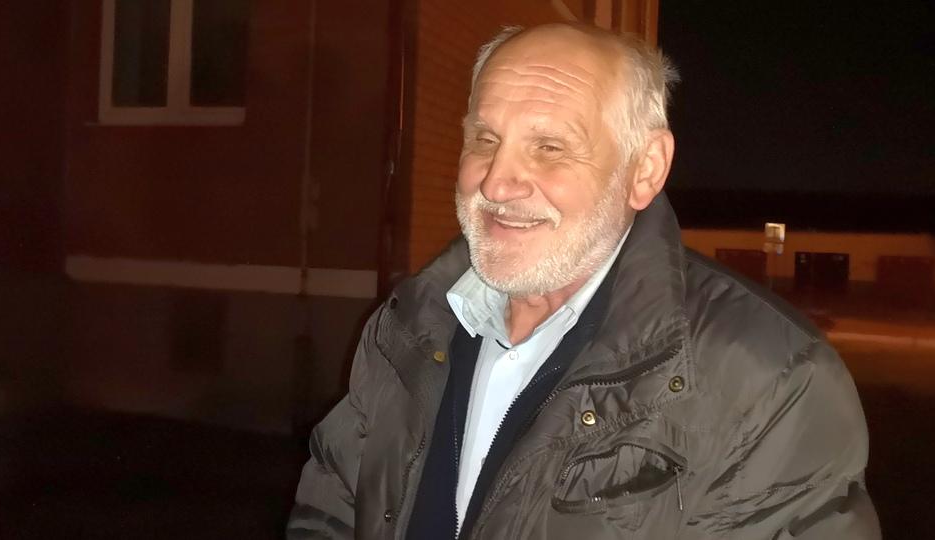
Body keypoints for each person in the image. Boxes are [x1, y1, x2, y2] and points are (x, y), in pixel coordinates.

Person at [289, 23, 880, 539]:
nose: (495, 183)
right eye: (485, 140)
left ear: (644, 169)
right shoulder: (405, 326)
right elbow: (331, 509)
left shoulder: (769, 380)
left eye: (549, 147)